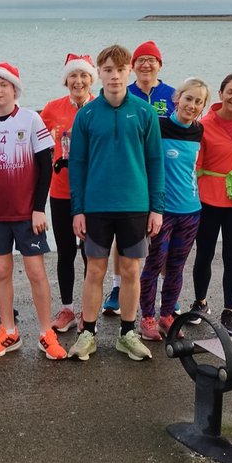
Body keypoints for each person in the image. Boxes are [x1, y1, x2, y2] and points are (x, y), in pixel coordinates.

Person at [68, 44, 164, 363]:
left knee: (130, 269)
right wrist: (77, 209)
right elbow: (77, 164)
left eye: (120, 70)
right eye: (107, 70)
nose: (114, 76)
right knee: (94, 270)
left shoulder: (145, 112)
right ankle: (88, 333)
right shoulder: (87, 114)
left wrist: (156, 208)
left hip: (135, 206)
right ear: (100, 73)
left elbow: (155, 161)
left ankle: (127, 333)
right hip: (96, 206)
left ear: (130, 72)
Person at [0, 63, 66, 361]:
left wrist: (39, 209)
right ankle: (9, 331)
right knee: (1, 270)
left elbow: (45, 168)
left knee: (36, 271)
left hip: (27, 214)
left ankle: (45, 332)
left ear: (14, 89)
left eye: (3, 85)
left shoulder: (31, 120)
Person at [104, 40, 176, 315]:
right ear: (131, 67)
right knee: (121, 239)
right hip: (128, 177)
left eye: (152, 60)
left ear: (160, 65)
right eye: (141, 60)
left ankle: (162, 289)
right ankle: (117, 286)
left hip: (162, 174)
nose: (146, 65)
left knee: (162, 235)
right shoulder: (125, 93)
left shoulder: (172, 95)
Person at [188, 72, 232, 336]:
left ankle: (229, 311)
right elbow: (195, 165)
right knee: (204, 253)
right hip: (207, 198)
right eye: (231, 92)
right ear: (220, 94)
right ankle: (200, 303)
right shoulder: (204, 124)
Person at [139, 79, 209, 341]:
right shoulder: (157, 127)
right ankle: (147, 317)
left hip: (191, 210)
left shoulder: (199, 131)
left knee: (177, 266)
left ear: (203, 106)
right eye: (188, 99)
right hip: (161, 211)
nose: (191, 105)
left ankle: (167, 316)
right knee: (154, 264)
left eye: (198, 102)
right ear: (177, 98)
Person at [39, 53, 96, 333]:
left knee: (90, 253)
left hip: (92, 193)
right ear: (66, 80)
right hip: (60, 191)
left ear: (91, 79)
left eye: (84, 76)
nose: (78, 81)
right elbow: (35, 142)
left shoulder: (101, 107)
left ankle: (88, 309)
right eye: (73, 76)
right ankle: (67, 309)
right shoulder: (52, 108)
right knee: (65, 252)